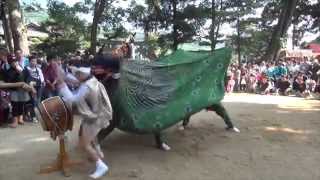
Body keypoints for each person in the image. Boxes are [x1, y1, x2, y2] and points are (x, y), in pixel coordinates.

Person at [59, 67, 113, 179]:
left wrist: (63, 87)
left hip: (94, 117)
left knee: (85, 144)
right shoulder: (91, 80)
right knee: (88, 137)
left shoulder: (86, 87)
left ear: (82, 74)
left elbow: (74, 100)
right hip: (98, 114)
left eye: (77, 74)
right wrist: (64, 76)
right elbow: (76, 81)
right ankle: (98, 152)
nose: (76, 77)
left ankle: (101, 165)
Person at [25, 56, 45, 122]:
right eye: (32, 61)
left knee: (38, 101)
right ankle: (33, 116)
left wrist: (42, 82)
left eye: (35, 61)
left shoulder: (38, 69)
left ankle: (37, 116)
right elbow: (26, 79)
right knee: (33, 101)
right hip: (31, 87)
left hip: (39, 87)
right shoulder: (26, 69)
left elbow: (41, 78)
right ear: (29, 61)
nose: (34, 63)